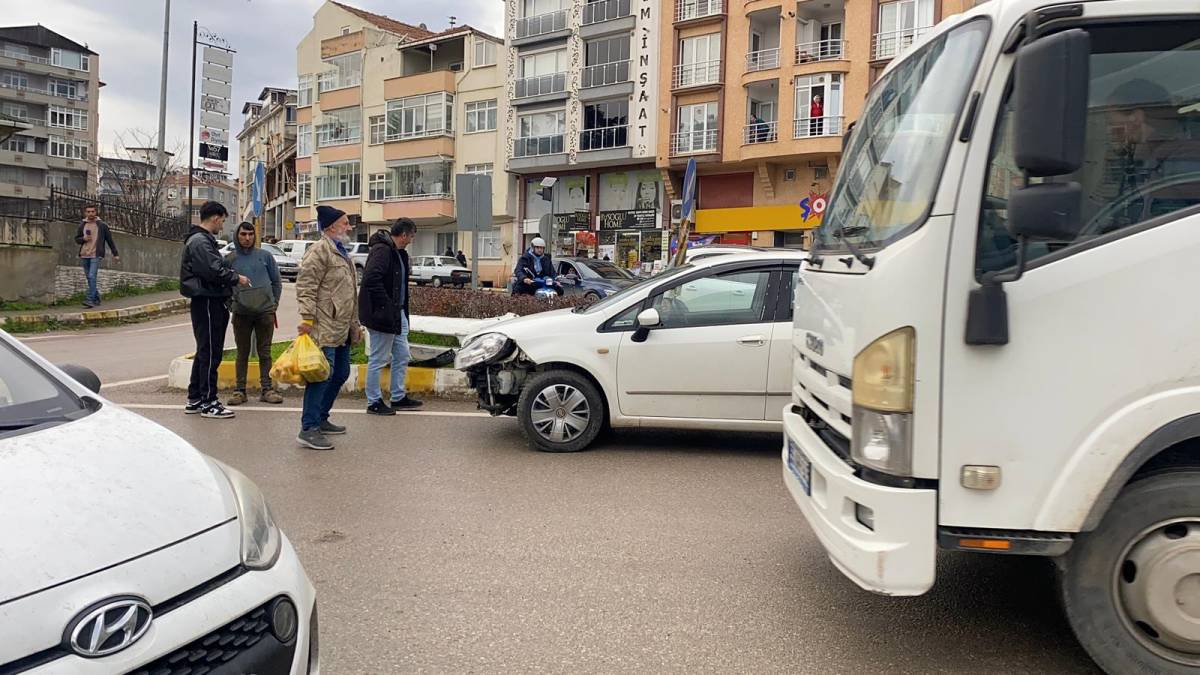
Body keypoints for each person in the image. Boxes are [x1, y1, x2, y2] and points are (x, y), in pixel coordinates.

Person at [295, 205, 362, 451]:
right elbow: (306, 285)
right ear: (332, 226)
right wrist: (307, 318)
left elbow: (349, 292)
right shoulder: (319, 250)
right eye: (345, 223)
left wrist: (355, 324)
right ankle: (309, 428)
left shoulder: (341, 251)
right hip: (323, 324)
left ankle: (321, 417)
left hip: (342, 325)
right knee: (322, 375)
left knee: (341, 372)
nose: (349, 227)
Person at [180, 201, 249, 419]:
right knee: (210, 352)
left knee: (204, 350)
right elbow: (213, 271)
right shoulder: (201, 241)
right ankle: (209, 402)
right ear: (215, 218)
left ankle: (195, 398)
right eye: (222, 220)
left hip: (208, 299)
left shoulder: (200, 240)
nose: (222, 225)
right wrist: (236, 278)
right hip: (208, 299)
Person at [359, 218, 424, 416]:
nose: (411, 240)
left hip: (397, 314)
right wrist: (386, 306)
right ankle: (373, 401)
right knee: (379, 358)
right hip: (382, 314)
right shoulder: (382, 251)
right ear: (404, 235)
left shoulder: (398, 253)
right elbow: (371, 279)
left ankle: (398, 396)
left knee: (402, 355)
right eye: (411, 236)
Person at [225, 222, 284, 407]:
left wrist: (273, 305)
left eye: (250, 234)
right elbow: (223, 285)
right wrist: (231, 305)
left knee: (265, 352)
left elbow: (276, 282)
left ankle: (267, 389)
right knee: (242, 352)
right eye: (243, 234)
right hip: (241, 314)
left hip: (265, 313)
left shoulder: (265, 256)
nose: (247, 238)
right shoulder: (230, 259)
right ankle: (239, 391)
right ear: (237, 235)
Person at [75, 204, 120, 308]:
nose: (90, 213)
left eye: (92, 211)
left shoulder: (102, 225)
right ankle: (96, 298)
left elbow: (109, 240)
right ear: (85, 213)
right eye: (88, 212)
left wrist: (115, 254)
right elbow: (77, 239)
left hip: (96, 254)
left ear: (96, 212)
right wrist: (83, 239)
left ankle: (89, 299)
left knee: (92, 276)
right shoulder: (82, 225)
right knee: (89, 278)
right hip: (84, 254)